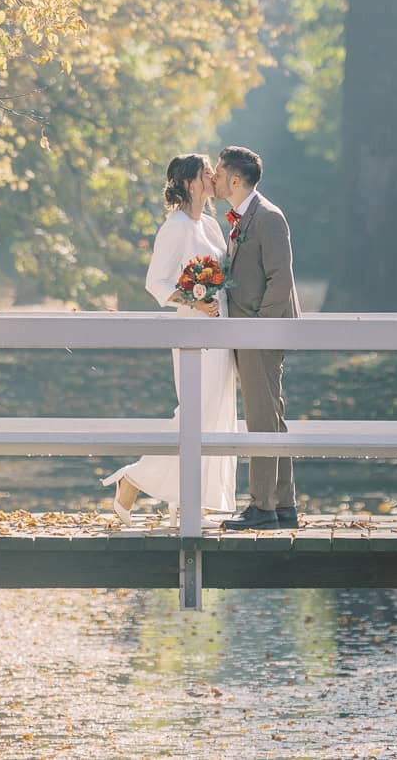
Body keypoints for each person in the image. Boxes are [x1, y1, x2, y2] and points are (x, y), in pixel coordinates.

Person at [103, 154, 237, 521]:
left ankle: (186, 500)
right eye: (206, 172)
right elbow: (156, 284)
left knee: (216, 414)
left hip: (220, 329)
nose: (213, 176)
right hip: (194, 327)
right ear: (191, 182)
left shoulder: (209, 225)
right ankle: (133, 479)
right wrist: (195, 301)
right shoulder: (175, 226)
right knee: (195, 412)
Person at [213, 144, 300, 530]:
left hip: (260, 330)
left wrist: (260, 329)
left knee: (262, 419)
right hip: (247, 329)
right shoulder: (240, 219)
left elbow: (280, 279)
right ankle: (283, 503)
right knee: (270, 415)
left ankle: (262, 506)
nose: (213, 177)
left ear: (235, 179)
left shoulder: (268, 217)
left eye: (217, 172)